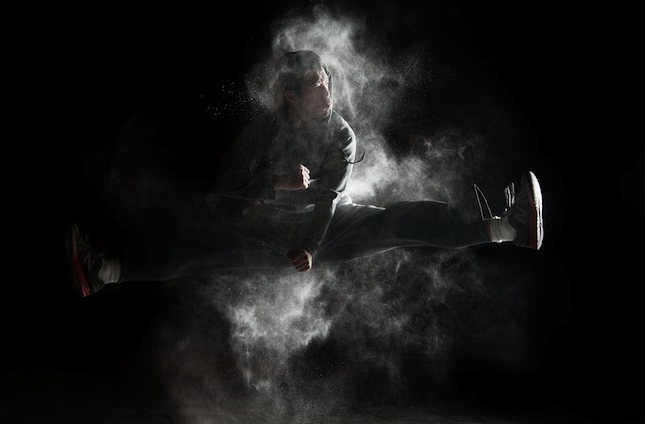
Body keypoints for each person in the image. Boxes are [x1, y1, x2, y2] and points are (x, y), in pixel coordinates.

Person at [66, 50, 543, 298]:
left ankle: (506, 228)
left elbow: (331, 196)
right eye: (317, 85)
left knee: (397, 220)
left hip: (327, 227)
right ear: (291, 97)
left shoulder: (341, 134)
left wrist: (312, 247)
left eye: (328, 80)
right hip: (264, 231)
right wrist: (276, 183)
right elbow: (226, 185)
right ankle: (103, 272)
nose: (328, 91)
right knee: (197, 246)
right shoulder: (262, 131)